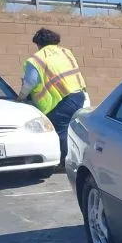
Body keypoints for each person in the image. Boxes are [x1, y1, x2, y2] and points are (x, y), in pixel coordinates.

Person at [16, 28, 89, 167]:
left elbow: (30, 82)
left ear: (38, 43)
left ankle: (64, 163)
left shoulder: (36, 59)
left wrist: (21, 97)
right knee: (70, 130)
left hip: (60, 100)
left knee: (57, 131)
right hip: (79, 95)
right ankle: (76, 159)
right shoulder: (66, 52)